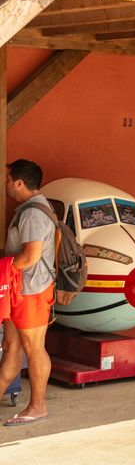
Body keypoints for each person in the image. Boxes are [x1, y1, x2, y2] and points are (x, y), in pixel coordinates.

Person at [0, 159, 56, 426]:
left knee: (34, 348)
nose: (6, 184)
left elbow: (30, 257)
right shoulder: (28, 209)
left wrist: (3, 269)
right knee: (11, 347)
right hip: (18, 290)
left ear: (20, 183)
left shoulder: (33, 213)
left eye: (8, 180)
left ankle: (38, 407)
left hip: (32, 290)